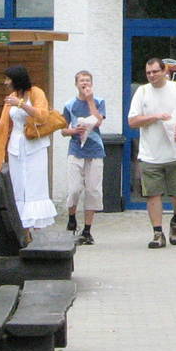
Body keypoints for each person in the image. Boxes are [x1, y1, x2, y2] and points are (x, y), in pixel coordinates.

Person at [0, 64, 58, 233]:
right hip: (16, 147)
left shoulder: (35, 92)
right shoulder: (11, 97)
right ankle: (23, 230)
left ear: (17, 79)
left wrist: (21, 104)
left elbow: (42, 115)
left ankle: (37, 229)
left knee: (34, 185)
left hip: (34, 146)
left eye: (8, 79)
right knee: (18, 186)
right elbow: (5, 125)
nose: (5, 82)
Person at [127, 56, 176, 248]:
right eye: (148, 73)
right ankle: (157, 233)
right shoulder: (142, 92)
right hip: (150, 154)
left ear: (164, 70)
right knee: (153, 195)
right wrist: (155, 117)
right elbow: (132, 121)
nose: (151, 76)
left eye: (155, 72)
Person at [60, 70, 105, 245]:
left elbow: (98, 121)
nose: (84, 83)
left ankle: (87, 230)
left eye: (87, 80)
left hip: (95, 151)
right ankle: (72, 217)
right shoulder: (69, 104)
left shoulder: (99, 102)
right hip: (76, 150)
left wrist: (90, 100)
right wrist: (73, 131)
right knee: (74, 189)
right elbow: (63, 130)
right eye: (81, 81)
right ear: (76, 84)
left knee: (93, 191)